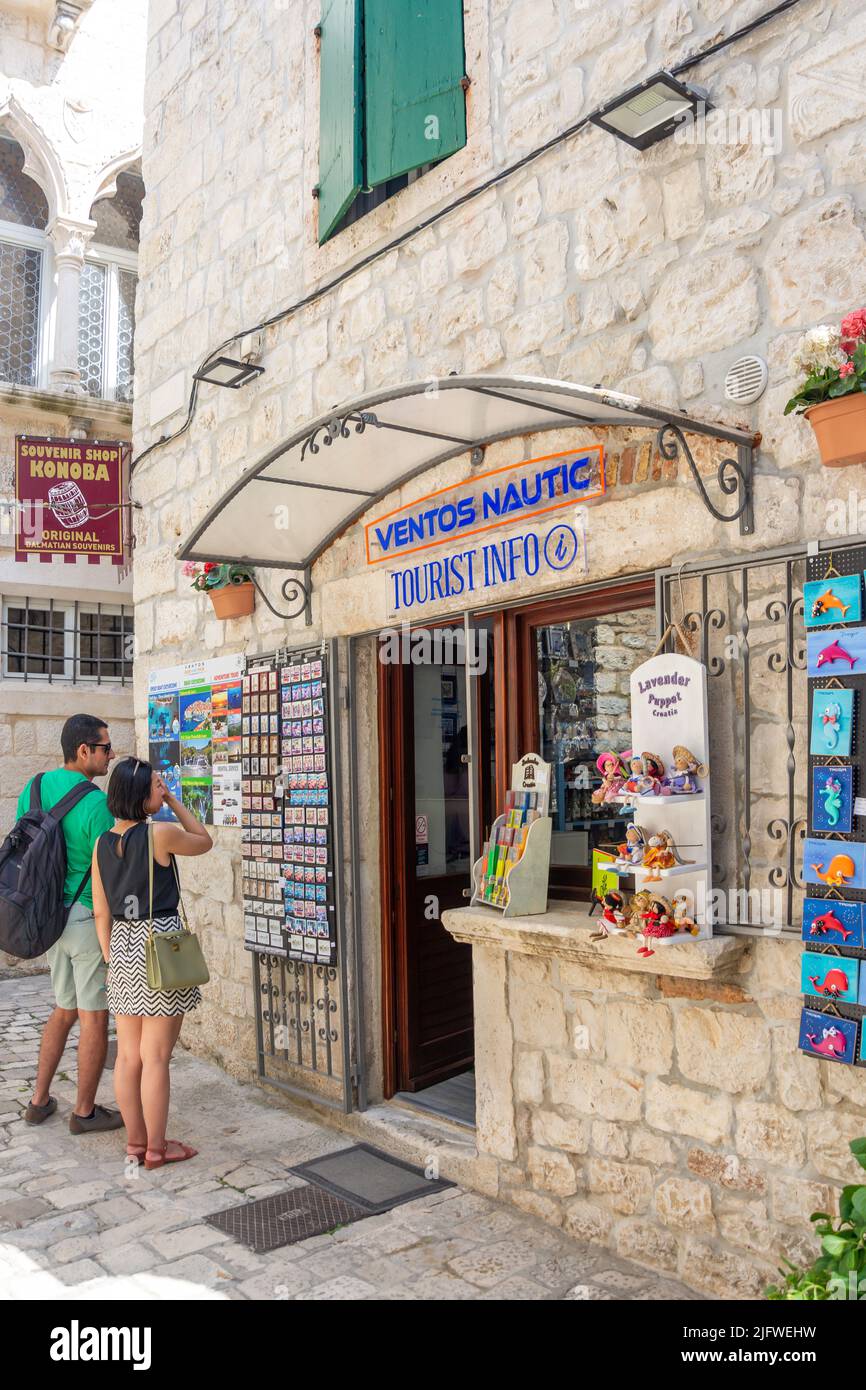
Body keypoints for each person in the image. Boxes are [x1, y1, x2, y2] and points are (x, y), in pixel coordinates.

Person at [91, 757, 212, 1171]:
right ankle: (159, 1148)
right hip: (159, 945)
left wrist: (112, 958)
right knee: (157, 1056)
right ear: (143, 794)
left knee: (129, 1056)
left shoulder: (103, 843)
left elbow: (101, 912)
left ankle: (135, 1143)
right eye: (156, 785)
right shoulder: (160, 834)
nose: (160, 790)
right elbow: (203, 839)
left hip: (122, 946)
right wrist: (174, 801)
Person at [20, 714, 121, 1133]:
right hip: (83, 917)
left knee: (64, 1010)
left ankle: (39, 1100)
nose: (111, 755)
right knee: (94, 1016)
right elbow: (107, 874)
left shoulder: (35, 787)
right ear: (84, 751)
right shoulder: (97, 804)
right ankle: (84, 1112)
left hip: (48, 919)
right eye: (105, 748)